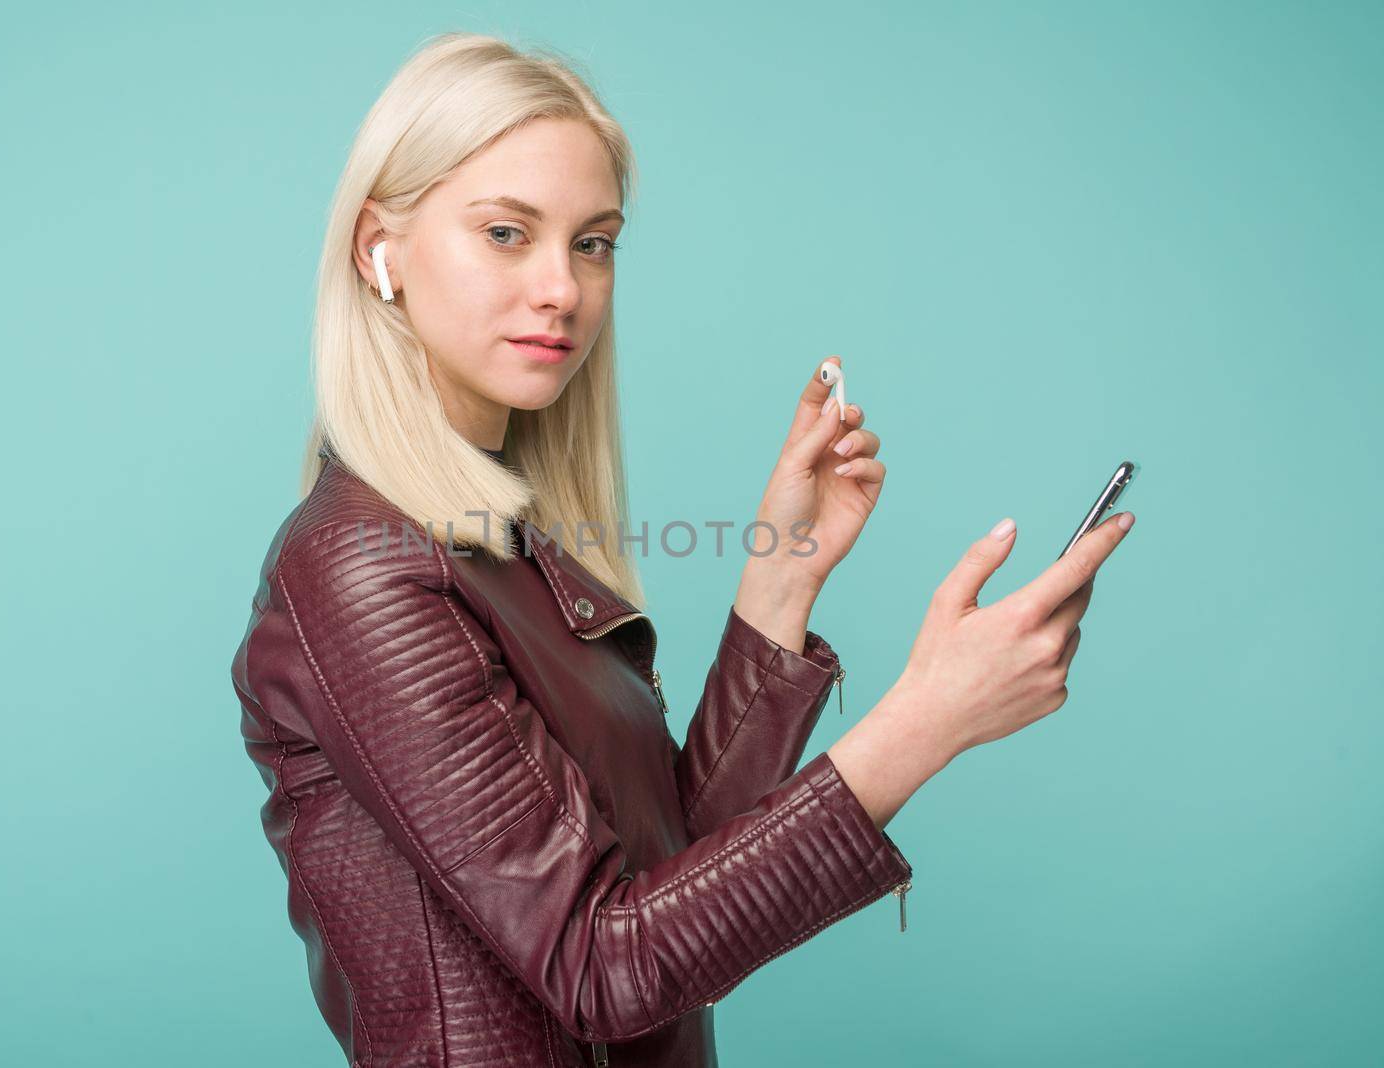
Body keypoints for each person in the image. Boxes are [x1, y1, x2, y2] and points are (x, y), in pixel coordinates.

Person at [228, 31, 1134, 1068]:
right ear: (377, 249)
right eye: (505, 232)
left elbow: (674, 888)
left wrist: (779, 579)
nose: (561, 289)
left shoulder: (496, 547)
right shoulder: (361, 567)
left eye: (593, 242)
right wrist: (925, 722)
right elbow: (601, 967)